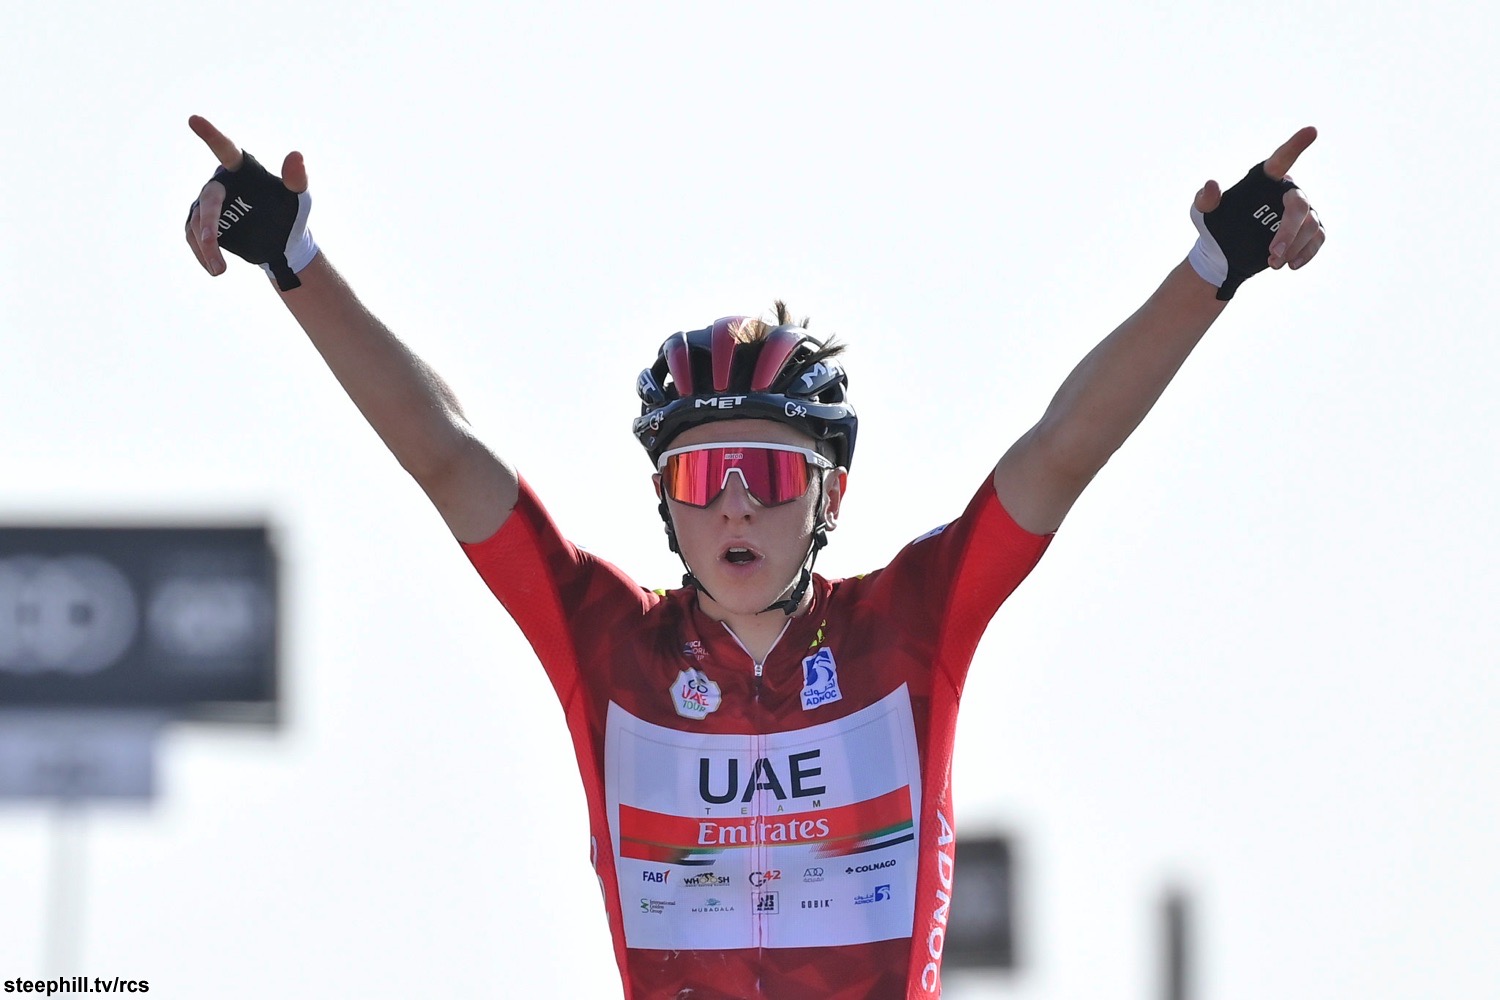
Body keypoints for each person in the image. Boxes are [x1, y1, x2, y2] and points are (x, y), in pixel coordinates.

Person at [183, 115, 1325, 1000]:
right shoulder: (608, 643)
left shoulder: (910, 623)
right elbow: (445, 454)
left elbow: (1063, 447)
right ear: (665, 507)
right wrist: (295, 258)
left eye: (771, 473)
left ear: (830, 497)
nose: (735, 503)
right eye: (700, 477)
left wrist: (1213, 269)